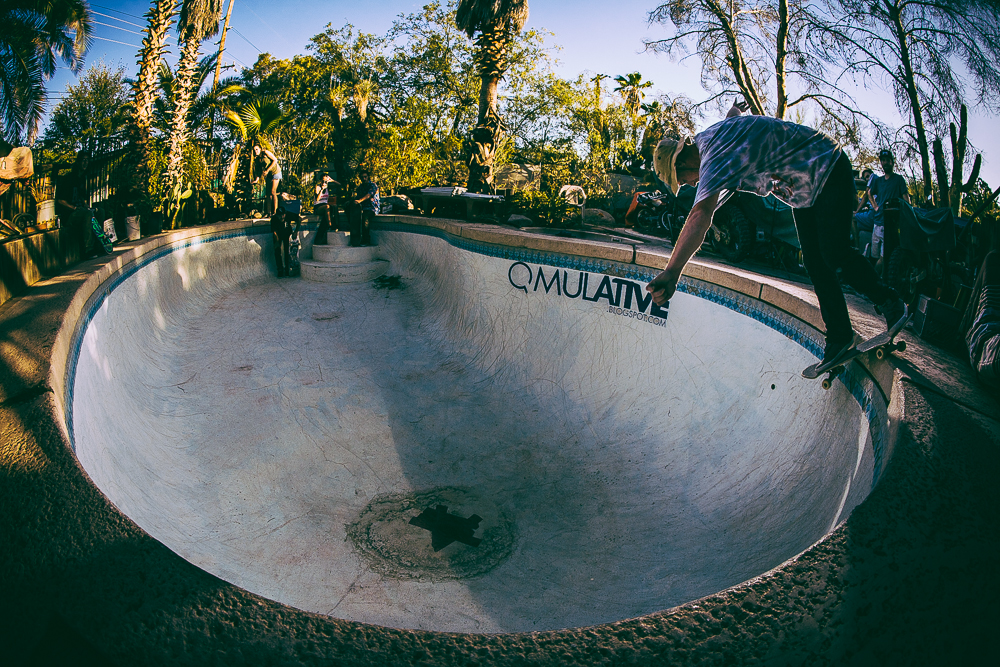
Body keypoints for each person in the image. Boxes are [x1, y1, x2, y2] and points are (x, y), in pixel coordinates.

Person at [646, 100, 908, 369]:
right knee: (815, 263)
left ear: (682, 161)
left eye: (683, 179)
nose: (692, 183)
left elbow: (700, 215)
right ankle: (840, 336)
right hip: (804, 190)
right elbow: (732, 116)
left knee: (834, 253)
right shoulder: (712, 136)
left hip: (827, 165)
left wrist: (672, 271)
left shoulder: (713, 157)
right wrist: (737, 108)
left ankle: (890, 301)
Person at [860, 149, 910, 266]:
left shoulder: (898, 179)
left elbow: (906, 200)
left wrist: (907, 215)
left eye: (887, 160)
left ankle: (875, 276)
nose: (885, 163)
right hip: (877, 222)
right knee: (874, 256)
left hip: (890, 224)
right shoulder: (879, 181)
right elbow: (869, 193)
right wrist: (875, 206)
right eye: (883, 160)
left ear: (892, 162)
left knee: (884, 258)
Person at [351, 169, 379, 247]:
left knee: (365, 217)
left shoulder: (373, 185)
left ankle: (366, 239)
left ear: (368, 177)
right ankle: (355, 236)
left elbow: (368, 195)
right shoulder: (360, 187)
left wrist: (359, 201)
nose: (364, 179)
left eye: (365, 177)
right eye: (362, 177)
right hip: (363, 208)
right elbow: (357, 197)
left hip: (372, 208)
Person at [252, 142, 282, 216]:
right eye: (254, 150)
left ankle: (275, 212)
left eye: (257, 149)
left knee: (273, 192)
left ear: (260, 149)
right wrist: (256, 180)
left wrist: (267, 170)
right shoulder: (257, 159)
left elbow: (275, 160)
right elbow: (259, 171)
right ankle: (268, 212)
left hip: (275, 172)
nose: (256, 151)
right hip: (268, 175)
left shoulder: (266, 153)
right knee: (268, 194)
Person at [270, 206, 300, 278]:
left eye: (283, 215)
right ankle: (280, 270)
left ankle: (287, 270)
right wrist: (277, 242)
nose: (282, 217)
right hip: (278, 235)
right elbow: (274, 232)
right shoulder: (274, 219)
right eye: (280, 216)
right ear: (277, 215)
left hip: (287, 234)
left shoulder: (288, 215)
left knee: (287, 251)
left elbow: (299, 219)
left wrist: (296, 231)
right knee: (277, 251)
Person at [313, 172, 340, 245]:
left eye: (325, 181)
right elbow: (317, 199)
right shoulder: (317, 187)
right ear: (320, 180)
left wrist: (332, 180)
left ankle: (337, 225)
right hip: (318, 207)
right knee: (327, 207)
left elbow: (339, 185)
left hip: (325, 206)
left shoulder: (328, 187)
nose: (324, 182)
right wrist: (322, 189)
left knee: (334, 206)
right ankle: (330, 225)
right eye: (322, 181)